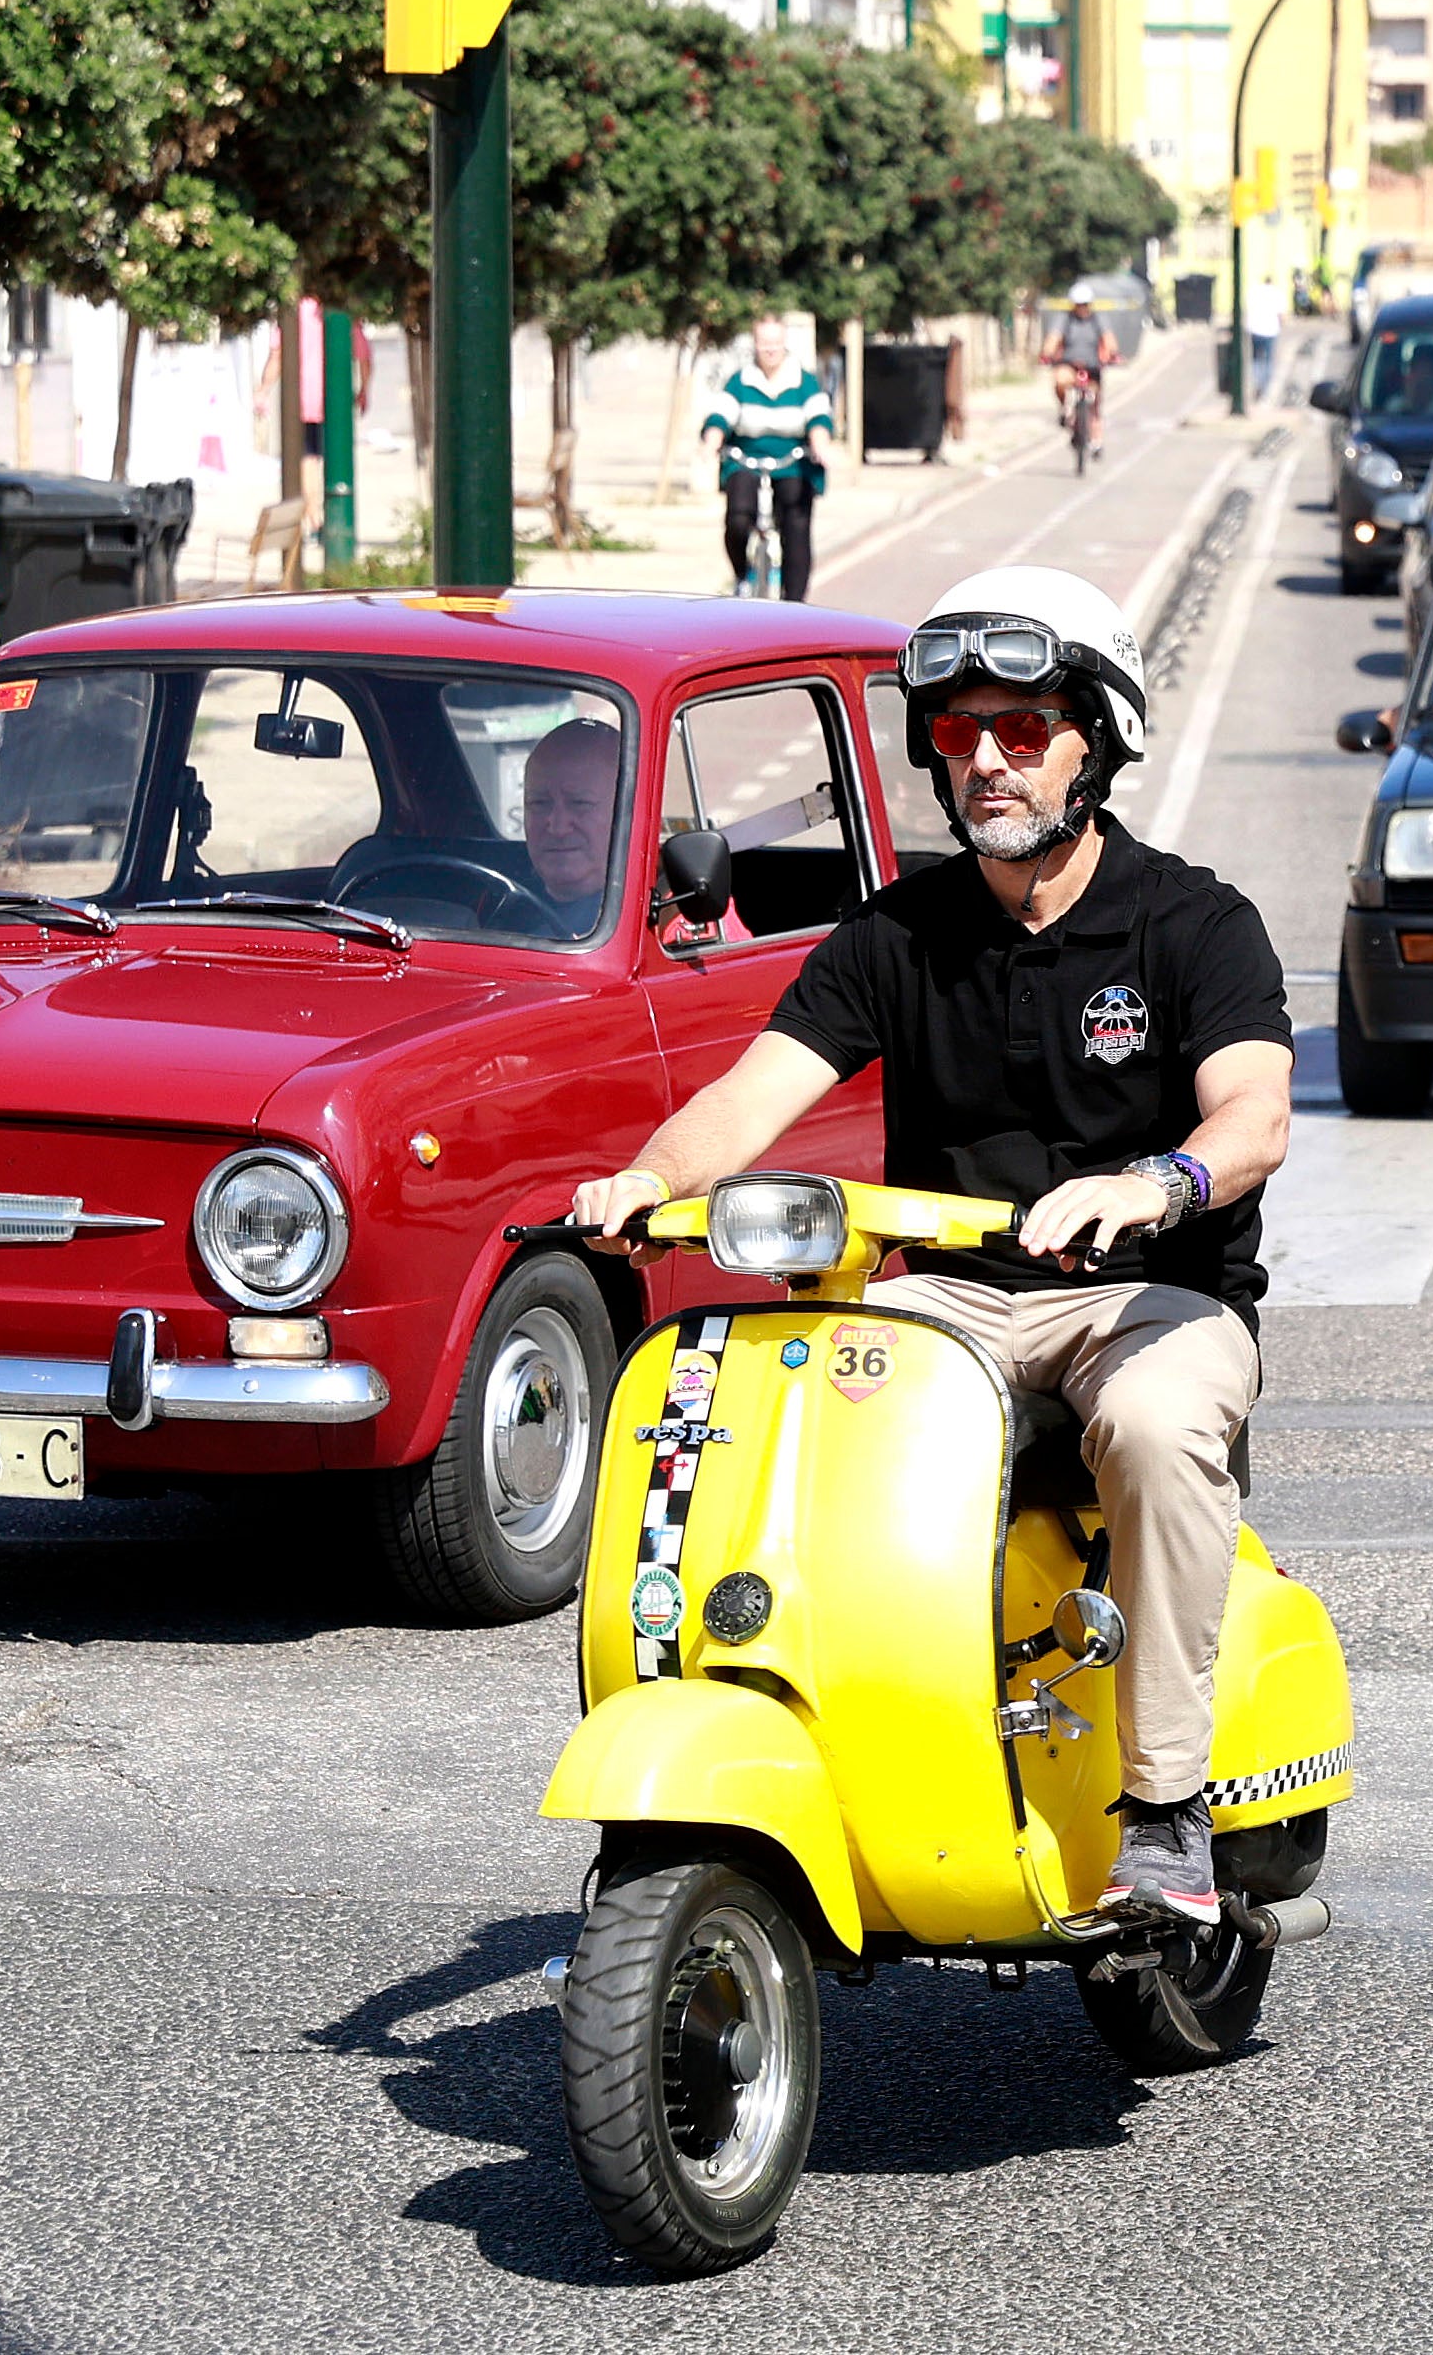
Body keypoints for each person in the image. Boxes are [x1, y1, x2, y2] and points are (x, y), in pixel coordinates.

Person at [568, 568, 1295, 1929]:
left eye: (1021, 730)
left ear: (1098, 738)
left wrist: (1157, 1181)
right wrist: (642, 1176)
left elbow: (1252, 1115)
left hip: (1150, 1296)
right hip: (950, 1296)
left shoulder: (1194, 923)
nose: (984, 760)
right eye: (958, 734)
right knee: (759, 1412)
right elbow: (748, 1094)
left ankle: (1164, 1812)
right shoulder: (897, 932)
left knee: (1150, 1427)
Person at [700, 316, 835, 599]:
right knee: (738, 518)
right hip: (747, 459)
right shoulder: (741, 380)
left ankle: (795, 603)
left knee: (796, 525)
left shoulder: (804, 381)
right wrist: (712, 440)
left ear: (784, 344)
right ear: (755, 345)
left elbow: (819, 416)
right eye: (764, 344)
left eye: (775, 343)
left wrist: (820, 443)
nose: (770, 350)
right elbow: (721, 414)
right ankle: (741, 575)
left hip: (792, 462)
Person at [517, 715, 633, 938]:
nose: (557, 827)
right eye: (539, 803)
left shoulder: (657, 922)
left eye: (580, 804)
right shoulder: (486, 900)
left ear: (628, 811)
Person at [1049, 294, 1117, 454]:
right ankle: (1066, 412)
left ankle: (1096, 440)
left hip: (1092, 366)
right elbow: (1053, 337)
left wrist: (1112, 353)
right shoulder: (1065, 319)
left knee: (1094, 404)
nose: (1082, 307)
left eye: (1085, 304)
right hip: (1069, 364)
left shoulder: (1098, 319)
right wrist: (1048, 352)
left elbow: (1108, 338)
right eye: (1079, 304)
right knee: (1060, 380)